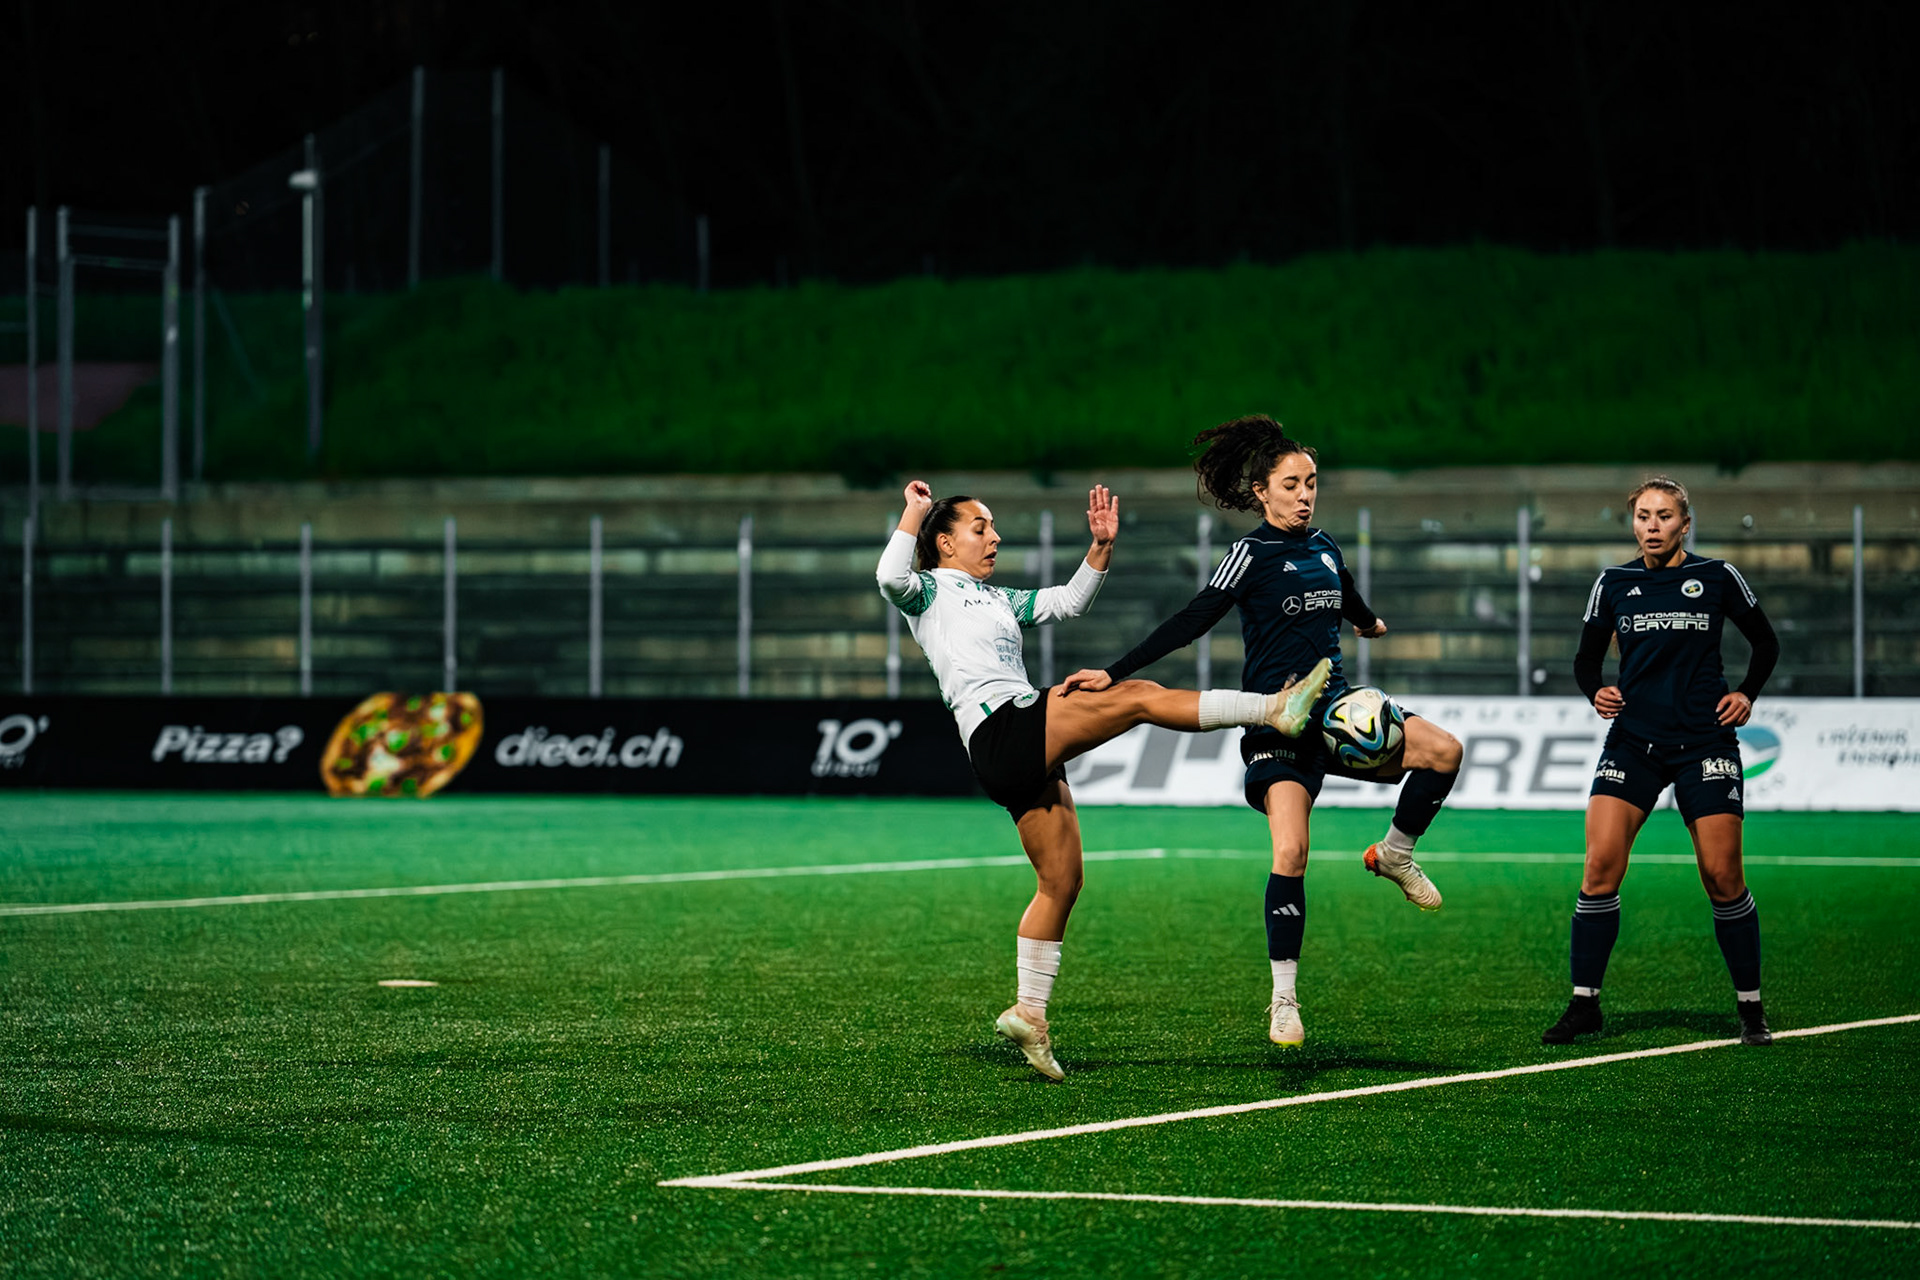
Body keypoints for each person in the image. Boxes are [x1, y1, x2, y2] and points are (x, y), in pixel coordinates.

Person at [877, 479, 1331, 1080]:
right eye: (980, 527)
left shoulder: (996, 598)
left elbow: (1068, 602)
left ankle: (1030, 1014)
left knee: (1061, 882)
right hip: (1002, 728)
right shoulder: (929, 591)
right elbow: (889, 577)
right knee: (1138, 696)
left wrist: (1100, 549)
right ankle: (1270, 709)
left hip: (1018, 741)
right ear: (944, 540)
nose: (995, 536)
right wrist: (909, 512)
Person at [1060, 415, 1463, 1048]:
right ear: (1262, 492)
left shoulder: (1325, 544)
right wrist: (1113, 673)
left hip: (1333, 713)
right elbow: (1191, 620)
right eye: (1293, 484)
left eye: (1312, 483)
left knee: (1445, 751)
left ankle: (1394, 855)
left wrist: (1368, 621)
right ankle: (1283, 999)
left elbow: (1345, 591)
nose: (1305, 494)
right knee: (1291, 852)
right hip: (1276, 718)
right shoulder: (1250, 554)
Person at [1542, 476, 1781, 1047]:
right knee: (1599, 869)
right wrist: (1594, 691)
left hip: (1704, 742)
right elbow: (1584, 660)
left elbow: (1766, 643)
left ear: (1685, 523)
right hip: (1633, 743)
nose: (1653, 526)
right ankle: (1584, 1004)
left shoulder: (1717, 576)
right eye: (1644, 516)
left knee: (1723, 878)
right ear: (1633, 523)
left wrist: (1747, 692)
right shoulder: (1614, 583)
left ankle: (1751, 1008)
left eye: (1665, 516)